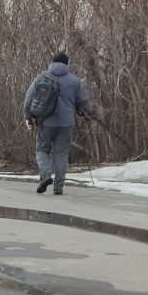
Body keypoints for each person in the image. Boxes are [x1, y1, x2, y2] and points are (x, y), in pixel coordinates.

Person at [23, 51, 91, 195]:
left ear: (52, 63)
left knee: (42, 150)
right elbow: (83, 101)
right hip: (66, 123)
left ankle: (46, 175)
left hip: (45, 121)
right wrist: (82, 110)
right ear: (67, 65)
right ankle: (58, 186)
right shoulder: (74, 80)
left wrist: (28, 116)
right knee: (61, 154)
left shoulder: (41, 77)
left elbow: (29, 98)